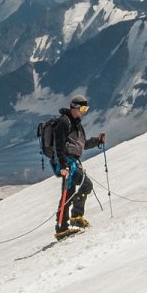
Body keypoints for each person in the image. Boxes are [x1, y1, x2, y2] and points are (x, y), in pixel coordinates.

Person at [51, 96, 106, 240]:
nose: (84, 112)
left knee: (68, 193)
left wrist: (97, 141)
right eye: (82, 108)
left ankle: (62, 229)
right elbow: (59, 145)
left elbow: (82, 145)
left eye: (86, 109)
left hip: (72, 163)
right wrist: (63, 165)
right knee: (86, 185)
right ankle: (75, 216)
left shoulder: (76, 124)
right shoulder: (64, 122)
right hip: (68, 164)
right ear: (74, 107)